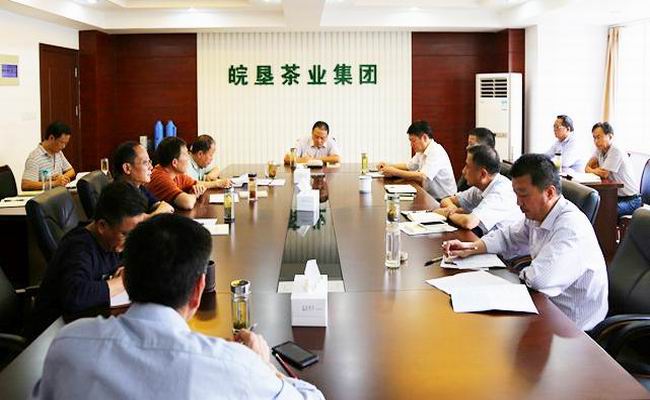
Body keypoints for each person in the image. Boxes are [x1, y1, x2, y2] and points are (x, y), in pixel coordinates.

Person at [31, 214, 325, 399]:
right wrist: (266, 367)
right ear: (199, 289)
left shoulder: (68, 344)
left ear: (126, 279)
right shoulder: (235, 366)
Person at [442, 153, 608, 331]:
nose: (518, 202)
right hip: (544, 306)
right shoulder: (538, 214)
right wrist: (471, 247)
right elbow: (508, 236)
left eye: (523, 194)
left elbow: (540, 280)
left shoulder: (571, 228)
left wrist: (518, 275)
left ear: (549, 192)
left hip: (572, 326)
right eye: (516, 194)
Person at [29, 182, 148, 338]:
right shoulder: (78, 248)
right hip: (51, 335)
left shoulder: (113, 241)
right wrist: (122, 282)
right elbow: (76, 296)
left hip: (86, 325)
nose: (130, 241)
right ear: (102, 226)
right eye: (125, 234)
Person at [436, 145, 522, 236]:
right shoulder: (480, 187)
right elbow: (446, 200)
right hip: (485, 238)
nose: (463, 171)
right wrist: (452, 209)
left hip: (503, 244)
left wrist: (448, 214)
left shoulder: (500, 192)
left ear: (483, 174)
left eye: (467, 166)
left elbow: (469, 222)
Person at [377, 120, 456, 200]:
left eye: (413, 141)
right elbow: (409, 166)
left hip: (445, 199)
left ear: (424, 138)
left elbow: (422, 176)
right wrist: (388, 165)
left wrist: (394, 171)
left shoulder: (436, 151)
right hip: (430, 196)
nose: (411, 145)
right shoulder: (421, 151)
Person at [585, 122, 642, 216]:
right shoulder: (600, 150)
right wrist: (593, 169)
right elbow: (587, 167)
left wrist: (592, 170)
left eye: (598, 137)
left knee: (604, 211)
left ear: (610, 136)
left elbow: (604, 174)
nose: (596, 141)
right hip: (615, 196)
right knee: (592, 206)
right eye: (594, 138)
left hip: (631, 200)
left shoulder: (616, 150)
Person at [112, 141, 174, 216]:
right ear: (127, 168)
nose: (151, 167)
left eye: (149, 162)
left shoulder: (139, 188)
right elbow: (137, 222)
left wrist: (155, 213)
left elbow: (164, 206)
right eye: (145, 163)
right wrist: (155, 214)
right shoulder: (118, 195)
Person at [145, 137, 206, 210]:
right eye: (186, 154)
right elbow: (187, 203)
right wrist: (194, 194)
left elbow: (197, 184)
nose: (188, 158)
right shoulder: (160, 178)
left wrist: (197, 187)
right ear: (174, 163)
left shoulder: (176, 174)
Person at [22, 121, 76, 191]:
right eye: (62, 142)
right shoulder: (35, 157)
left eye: (66, 143)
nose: (63, 146)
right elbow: (25, 184)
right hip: (45, 196)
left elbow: (71, 171)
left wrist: (61, 177)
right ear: (51, 138)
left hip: (58, 193)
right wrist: (54, 183)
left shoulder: (58, 153)